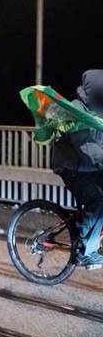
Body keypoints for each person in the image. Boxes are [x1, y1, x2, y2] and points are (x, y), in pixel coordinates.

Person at [51, 70, 103, 269]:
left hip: (90, 167)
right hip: (74, 167)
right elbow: (88, 150)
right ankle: (84, 252)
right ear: (92, 92)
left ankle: (91, 229)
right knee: (97, 201)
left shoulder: (97, 111)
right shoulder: (75, 110)